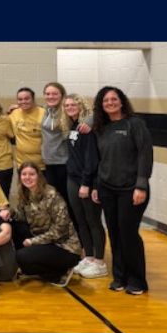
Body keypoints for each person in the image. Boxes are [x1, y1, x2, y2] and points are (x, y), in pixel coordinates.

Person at [91, 86, 153, 295]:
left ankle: (137, 280)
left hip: (131, 190)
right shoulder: (101, 127)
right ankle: (120, 277)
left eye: (113, 99)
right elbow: (100, 160)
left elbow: (145, 154)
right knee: (115, 233)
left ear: (121, 101)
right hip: (107, 189)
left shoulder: (135, 124)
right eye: (105, 100)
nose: (110, 103)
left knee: (128, 234)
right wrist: (97, 186)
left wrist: (141, 185)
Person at [12, 163, 81, 287]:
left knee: (22, 256)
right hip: (44, 242)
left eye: (32, 174)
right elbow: (22, 218)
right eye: (24, 174)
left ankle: (60, 271)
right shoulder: (25, 193)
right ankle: (43, 268)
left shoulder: (52, 195)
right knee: (13, 226)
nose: (27, 177)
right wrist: (9, 213)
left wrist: (33, 241)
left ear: (39, 176)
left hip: (64, 247)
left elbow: (60, 229)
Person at [64, 94, 107, 279]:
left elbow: (91, 159)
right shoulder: (73, 126)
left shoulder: (86, 128)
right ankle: (88, 257)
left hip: (85, 181)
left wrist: (86, 183)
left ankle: (100, 261)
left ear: (81, 106)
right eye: (66, 105)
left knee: (93, 221)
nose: (69, 107)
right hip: (72, 179)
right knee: (81, 220)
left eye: (73, 104)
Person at [40, 82, 71, 209]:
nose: (50, 96)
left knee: (67, 201)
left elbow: (88, 115)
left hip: (64, 163)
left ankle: (74, 228)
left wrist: (88, 123)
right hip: (49, 162)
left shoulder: (67, 110)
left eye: (54, 94)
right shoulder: (47, 110)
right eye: (47, 94)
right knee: (54, 201)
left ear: (62, 95)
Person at [9, 87, 46, 170]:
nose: (23, 101)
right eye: (20, 99)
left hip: (41, 164)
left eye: (27, 99)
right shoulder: (14, 113)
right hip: (22, 163)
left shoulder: (44, 113)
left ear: (33, 99)